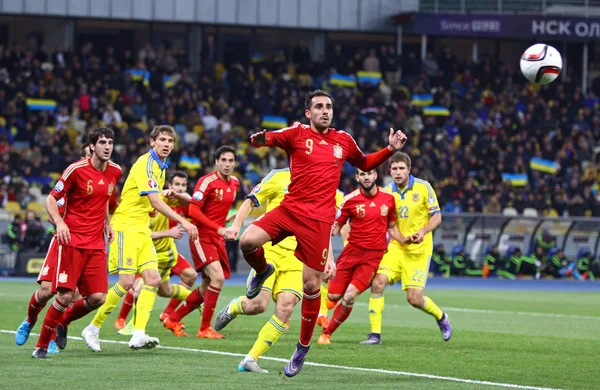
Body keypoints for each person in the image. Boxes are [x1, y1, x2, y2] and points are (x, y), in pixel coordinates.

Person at [236, 89, 407, 376]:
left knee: (312, 286)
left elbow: (364, 162)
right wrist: (259, 140)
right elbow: (270, 138)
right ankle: (262, 270)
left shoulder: (343, 140)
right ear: (308, 112)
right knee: (247, 241)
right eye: (318, 107)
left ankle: (302, 348)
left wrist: (389, 149)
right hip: (290, 209)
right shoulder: (297, 134)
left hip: (318, 220)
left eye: (328, 106)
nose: (325, 111)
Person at [81, 125, 198, 352]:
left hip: (142, 229)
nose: (166, 144)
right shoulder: (145, 163)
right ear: (151, 142)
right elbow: (154, 201)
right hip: (125, 227)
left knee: (153, 280)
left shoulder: (160, 167)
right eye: (162, 139)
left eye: (170, 140)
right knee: (126, 283)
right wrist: (183, 221)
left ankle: (139, 334)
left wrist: (155, 208)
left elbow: (150, 203)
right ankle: (93, 328)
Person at [29, 127, 123, 358]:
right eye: (102, 142)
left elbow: (104, 202)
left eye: (110, 142)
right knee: (63, 296)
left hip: (96, 243)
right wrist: (60, 224)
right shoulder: (76, 170)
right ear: (92, 146)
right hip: (72, 240)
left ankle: (64, 323)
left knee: (98, 298)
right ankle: (40, 346)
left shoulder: (116, 171)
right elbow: (52, 199)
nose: (107, 146)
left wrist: (107, 224)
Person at [212, 167, 302, 373]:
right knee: (258, 305)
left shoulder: (320, 181)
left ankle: (250, 359)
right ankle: (235, 307)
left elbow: (322, 223)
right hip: (270, 250)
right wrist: (236, 225)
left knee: (286, 308)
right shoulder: (279, 176)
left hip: (298, 256)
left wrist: (329, 259)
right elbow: (251, 200)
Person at [363, 152, 450, 345]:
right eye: (394, 169)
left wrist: (422, 232)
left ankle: (441, 317)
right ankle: (375, 335)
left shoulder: (424, 187)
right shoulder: (385, 193)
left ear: (409, 170)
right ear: (389, 171)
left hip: (419, 251)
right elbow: (387, 224)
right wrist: (401, 238)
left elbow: (437, 216)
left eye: (401, 168)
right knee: (377, 283)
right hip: (397, 248)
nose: (398, 172)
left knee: (414, 299)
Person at [15, 144, 95, 354]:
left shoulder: (100, 181)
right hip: (62, 242)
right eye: (89, 154)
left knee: (74, 295)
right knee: (46, 291)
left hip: (85, 244)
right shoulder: (73, 176)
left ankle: (51, 335)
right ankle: (30, 320)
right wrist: (60, 223)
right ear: (82, 157)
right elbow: (51, 206)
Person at [163, 146, 239, 339]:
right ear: (216, 162)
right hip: (201, 236)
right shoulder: (206, 182)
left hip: (217, 237)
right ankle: (204, 328)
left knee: (206, 287)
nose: (227, 164)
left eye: (231, 161)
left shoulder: (235, 184)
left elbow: (216, 211)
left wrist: (228, 222)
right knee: (218, 278)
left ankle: (173, 318)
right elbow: (194, 211)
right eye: (224, 160)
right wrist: (219, 228)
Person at [317, 168, 398, 345]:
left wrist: (405, 240)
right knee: (333, 296)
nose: (366, 177)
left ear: (376, 175)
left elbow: (392, 226)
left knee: (349, 296)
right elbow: (337, 226)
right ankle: (327, 307)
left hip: (372, 258)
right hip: (350, 254)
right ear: (357, 177)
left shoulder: (389, 199)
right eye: (362, 174)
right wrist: (330, 229)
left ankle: (327, 334)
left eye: (369, 174)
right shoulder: (349, 200)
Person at [113, 171, 198, 331]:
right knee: (136, 287)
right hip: (147, 252)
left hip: (167, 252)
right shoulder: (155, 203)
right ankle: (124, 320)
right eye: (176, 185)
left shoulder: (180, 203)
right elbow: (144, 234)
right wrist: (168, 233)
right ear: (169, 186)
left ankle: (169, 312)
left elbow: (193, 202)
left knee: (188, 276)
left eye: (183, 185)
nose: (180, 188)